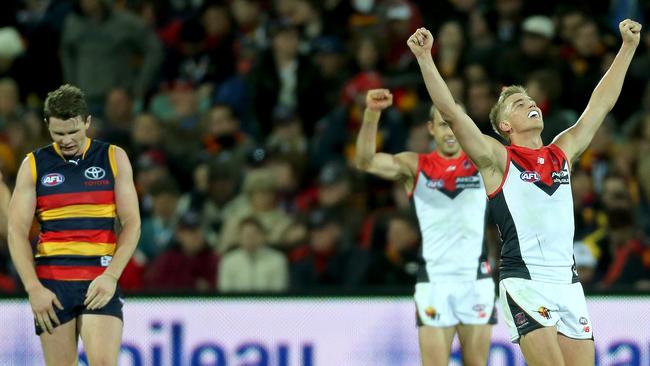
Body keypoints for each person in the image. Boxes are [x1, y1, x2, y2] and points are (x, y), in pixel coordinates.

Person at [407, 19, 642, 366]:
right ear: (505, 126)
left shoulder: (563, 151)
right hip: (525, 283)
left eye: (530, 98)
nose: (529, 102)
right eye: (518, 103)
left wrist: (627, 48)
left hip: (569, 284)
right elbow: (453, 115)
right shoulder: (497, 160)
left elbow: (600, 105)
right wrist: (426, 58)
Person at [355, 89, 495, 366]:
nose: (451, 130)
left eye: (455, 122)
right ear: (431, 129)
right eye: (443, 123)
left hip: (476, 280)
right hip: (434, 281)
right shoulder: (415, 165)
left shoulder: (485, 162)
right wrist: (372, 114)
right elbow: (365, 161)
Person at [7, 84, 140, 365]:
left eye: (73, 132)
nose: (67, 140)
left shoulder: (113, 158)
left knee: (103, 362)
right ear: (47, 127)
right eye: (59, 134)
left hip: (99, 281)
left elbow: (131, 224)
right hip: (53, 286)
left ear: (87, 122)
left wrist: (112, 276)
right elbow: (16, 231)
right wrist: (33, 288)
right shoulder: (34, 165)